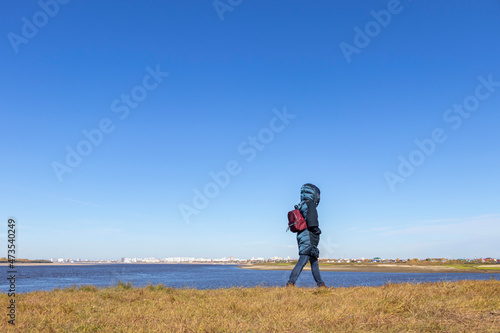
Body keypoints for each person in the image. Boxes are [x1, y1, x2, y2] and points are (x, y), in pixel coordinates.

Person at [287, 183, 326, 287]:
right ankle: (290, 283)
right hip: (309, 236)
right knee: (303, 260)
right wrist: (317, 230)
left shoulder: (301, 204)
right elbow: (312, 219)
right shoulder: (310, 204)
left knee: (314, 262)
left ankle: (320, 284)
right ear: (314, 194)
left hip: (302, 235)